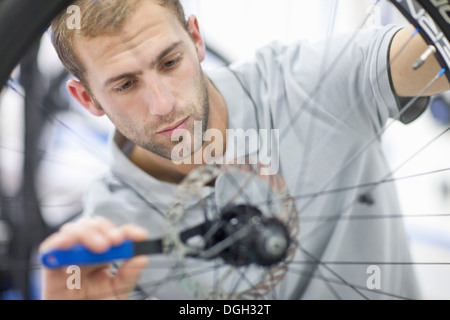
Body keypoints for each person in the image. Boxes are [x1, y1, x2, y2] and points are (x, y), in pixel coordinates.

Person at [39, 0, 450, 300]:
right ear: (87, 99)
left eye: (169, 62)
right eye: (126, 85)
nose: (163, 105)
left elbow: (429, 48)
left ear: (196, 39)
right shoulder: (108, 240)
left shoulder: (308, 84)